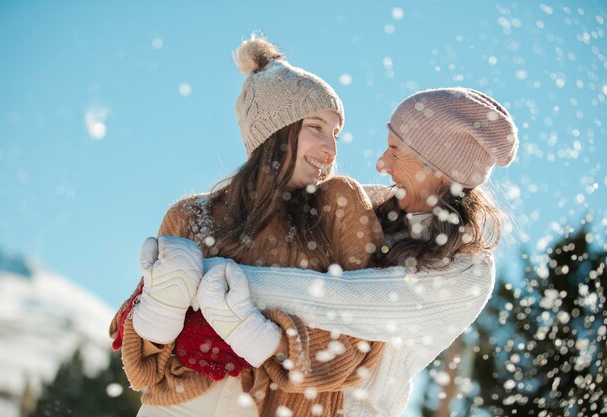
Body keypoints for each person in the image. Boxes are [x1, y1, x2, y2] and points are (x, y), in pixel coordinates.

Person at [187, 87, 519, 416]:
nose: (381, 163)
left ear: (437, 168)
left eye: (395, 150)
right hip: (270, 402)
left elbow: (336, 300)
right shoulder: (373, 205)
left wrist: (212, 274)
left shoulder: (466, 272)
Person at [109, 35, 386, 417]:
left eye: (335, 134)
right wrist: (159, 308)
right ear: (274, 131)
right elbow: (143, 367)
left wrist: (266, 339)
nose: (332, 149)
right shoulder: (191, 217)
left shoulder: (336, 207)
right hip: (181, 405)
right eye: (316, 127)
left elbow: (368, 332)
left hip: (278, 408)